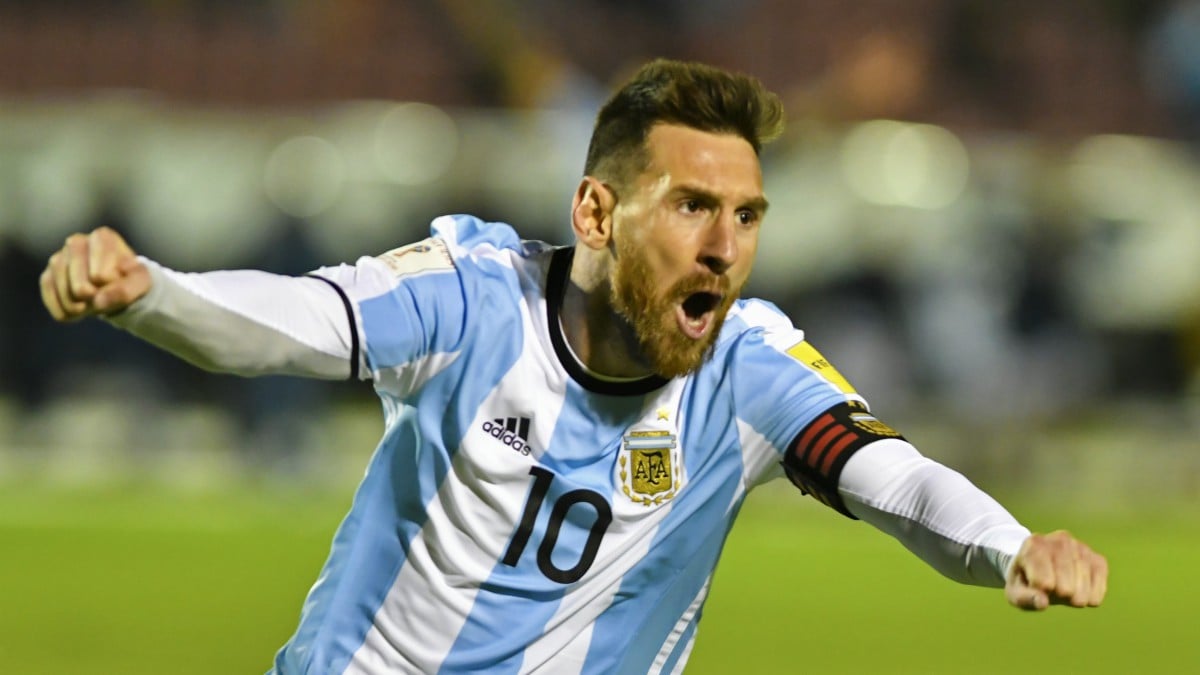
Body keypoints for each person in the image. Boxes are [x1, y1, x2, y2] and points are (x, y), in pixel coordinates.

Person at [39, 59, 1107, 674]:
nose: (724, 247)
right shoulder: (475, 296)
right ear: (596, 210)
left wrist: (1013, 545)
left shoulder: (746, 367)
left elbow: (889, 476)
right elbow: (299, 322)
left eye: (746, 216)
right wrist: (152, 295)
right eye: (692, 207)